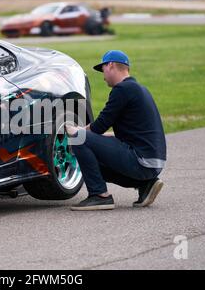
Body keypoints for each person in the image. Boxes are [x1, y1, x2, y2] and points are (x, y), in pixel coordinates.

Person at [67, 50, 167, 211]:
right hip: (152, 164)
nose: (103, 75)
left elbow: (98, 127)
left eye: (103, 69)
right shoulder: (140, 89)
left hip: (141, 161)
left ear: (111, 65)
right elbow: (125, 134)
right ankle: (145, 184)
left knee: (78, 138)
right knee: (92, 159)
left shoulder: (122, 90)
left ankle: (99, 196)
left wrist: (76, 130)